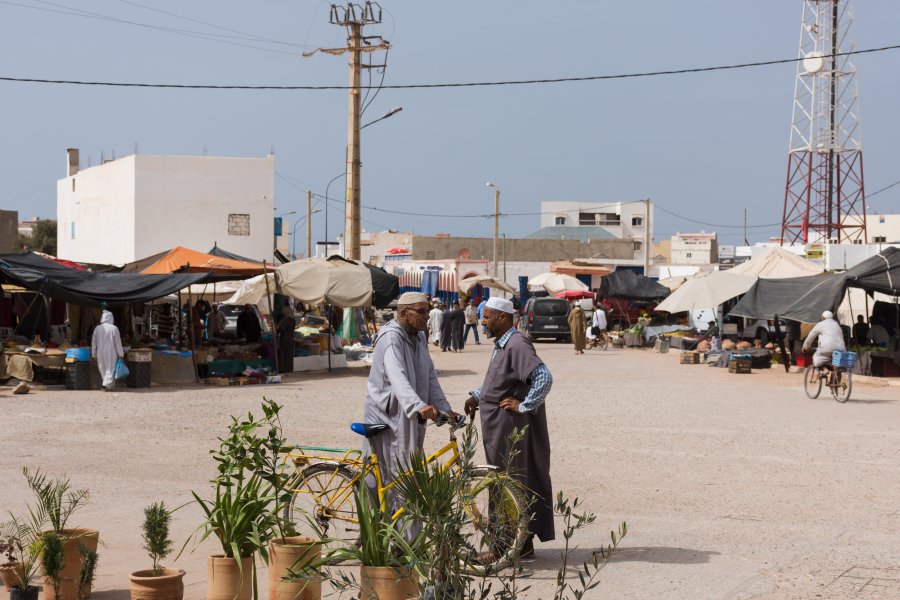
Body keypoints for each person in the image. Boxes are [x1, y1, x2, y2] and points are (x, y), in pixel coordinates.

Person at [464, 297, 554, 558]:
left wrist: (523, 405)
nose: (483, 320)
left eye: (488, 316)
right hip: (497, 427)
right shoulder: (503, 344)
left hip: (508, 428)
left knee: (506, 484)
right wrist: (477, 396)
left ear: (502, 318)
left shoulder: (516, 343)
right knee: (509, 483)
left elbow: (543, 378)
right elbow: (502, 381)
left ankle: (503, 545)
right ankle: (521, 544)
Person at [362, 292, 460, 509]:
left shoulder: (420, 336)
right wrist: (418, 406)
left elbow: (429, 375)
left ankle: (405, 538)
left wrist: (445, 408)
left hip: (411, 414)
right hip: (388, 416)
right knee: (391, 477)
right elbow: (398, 377)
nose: (428, 316)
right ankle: (389, 536)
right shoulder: (391, 338)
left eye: (428, 310)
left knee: (408, 474)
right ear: (404, 313)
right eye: (422, 311)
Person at [91, 309, 124, 392]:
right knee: (111, 368)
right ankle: (107, 385)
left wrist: (93, 353)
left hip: (100, 351)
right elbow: (117, 342)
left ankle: (107, 385)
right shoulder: (114, 328)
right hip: (111, 351)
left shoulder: (97, 328)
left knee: (103, 368)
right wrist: (121, 353)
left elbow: (93, 342)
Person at [275, 305, 296, 374]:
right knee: (289, 355)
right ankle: (289, 369)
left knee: (283, 355)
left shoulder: (287, 320)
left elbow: (282, 328)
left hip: (285, 339)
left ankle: (283, 369)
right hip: (291, 339)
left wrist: (277, 329)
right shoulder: (293, 320)